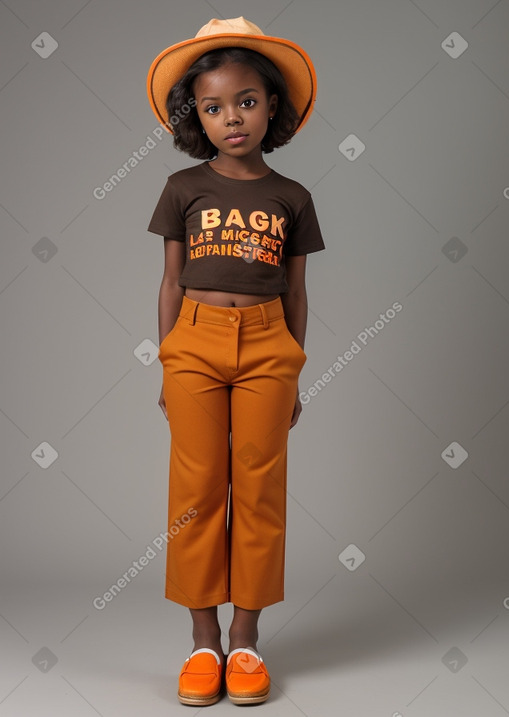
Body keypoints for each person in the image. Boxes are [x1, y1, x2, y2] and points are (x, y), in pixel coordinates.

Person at [146, 16, 325, 706]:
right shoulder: (181, 187)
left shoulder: (293, 198)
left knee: (259, 491)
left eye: (246, 101)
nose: (232, 118)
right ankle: (201, 643)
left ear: (272, 104)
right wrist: (168, 362)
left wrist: (294, 371)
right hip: (193, 341)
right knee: (195, 493)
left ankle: (245, 641)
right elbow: (168, 281)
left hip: (268, 346)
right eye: (214, 107)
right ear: (199, 116)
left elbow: (298, 290)